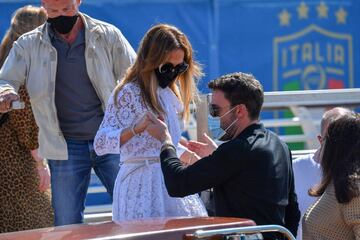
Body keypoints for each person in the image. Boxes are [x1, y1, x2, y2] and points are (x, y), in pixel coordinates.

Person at [0, 0, 136, 226]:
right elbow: (6, 79)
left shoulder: (108, 35)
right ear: (44, 5)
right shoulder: (28, 43)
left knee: (133, 210)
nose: (61, 15)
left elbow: (135, 74)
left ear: (79, 2)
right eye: (53, 11)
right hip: (64, 146)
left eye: (67, 9)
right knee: (66, 222)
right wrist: (5, 93)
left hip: (111, 138)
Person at [145, 72, 300, 239]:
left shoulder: (237, 150)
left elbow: (177, 184)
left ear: (240, 110)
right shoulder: (279, 145)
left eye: (215, 110)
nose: (213, 117)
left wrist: (166, 141)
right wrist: (217, 155)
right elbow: (292, 210)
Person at [94, 24, 208, 221]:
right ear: (151, 61)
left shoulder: (170, 92)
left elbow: (159, 141)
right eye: (167, 67)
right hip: (140, 182)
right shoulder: (129, 92)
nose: (173, 73)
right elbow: (101, 143)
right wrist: (136, 129)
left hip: (170, 178)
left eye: (180, 67)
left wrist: (182, 148)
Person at [0, 5, 54, 233]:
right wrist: (40, 164)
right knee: (32, 226)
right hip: (17, 164)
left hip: (8, 158)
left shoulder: (6, 62)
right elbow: (25, 122)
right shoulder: (21, 69)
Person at [293, 107, 352, 239]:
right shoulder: (295, 168)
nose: (341, 144)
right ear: (320, 140)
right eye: (334, 138)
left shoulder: (355, 173)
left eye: (346, 136)